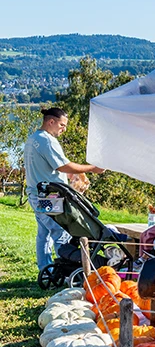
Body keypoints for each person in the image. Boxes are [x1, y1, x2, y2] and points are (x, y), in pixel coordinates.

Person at [24, 107, 105, 272]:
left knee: (44, 234)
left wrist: (71, 174)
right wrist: (92, 168)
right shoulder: (47, 140)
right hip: (50, 197)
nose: (64, 129)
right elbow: (62, 166)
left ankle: (46, 269)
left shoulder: (33, 138)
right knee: (61, 233)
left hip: (36, 194)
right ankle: (65, 271)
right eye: (62, 125)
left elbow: (48, 166)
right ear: (51, 121)